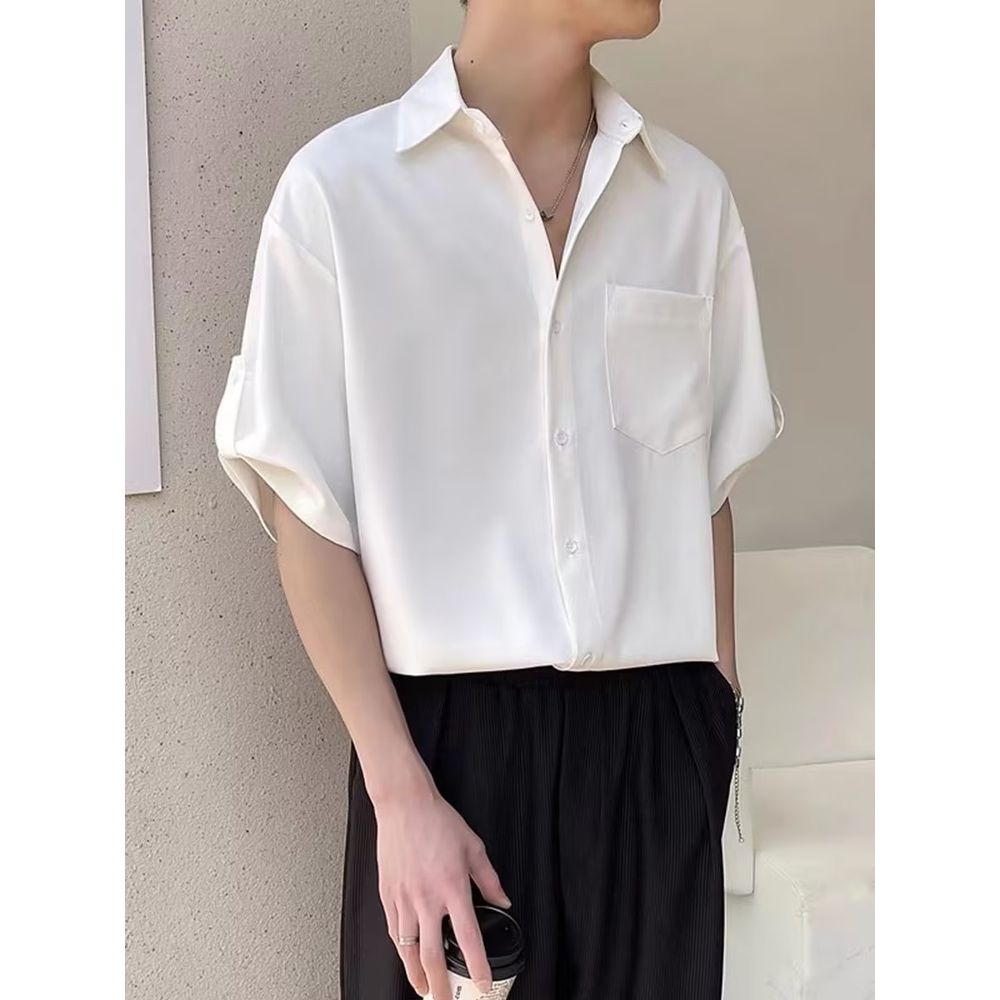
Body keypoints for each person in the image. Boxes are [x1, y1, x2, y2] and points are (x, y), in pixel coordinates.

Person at [214, 1, 784, 997]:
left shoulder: (688, 198)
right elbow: (308, 513)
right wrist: (399, 793)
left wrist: (715, 725)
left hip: (657, 752)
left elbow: (704, 485)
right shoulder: (341, 193)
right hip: (444, 760)